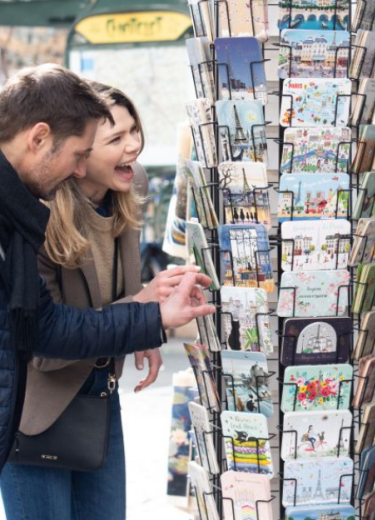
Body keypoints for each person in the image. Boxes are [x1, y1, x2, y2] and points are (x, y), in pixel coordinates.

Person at [0, 64, 214, 475]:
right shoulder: (32, 213)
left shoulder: (129, 189)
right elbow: (43, 336)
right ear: (40, 138)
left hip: (99, 398)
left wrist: (147, 320)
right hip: (37, 418)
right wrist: (143, 312)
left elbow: (43, 324)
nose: (133, 146)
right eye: (112, 139)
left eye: (134, 131)